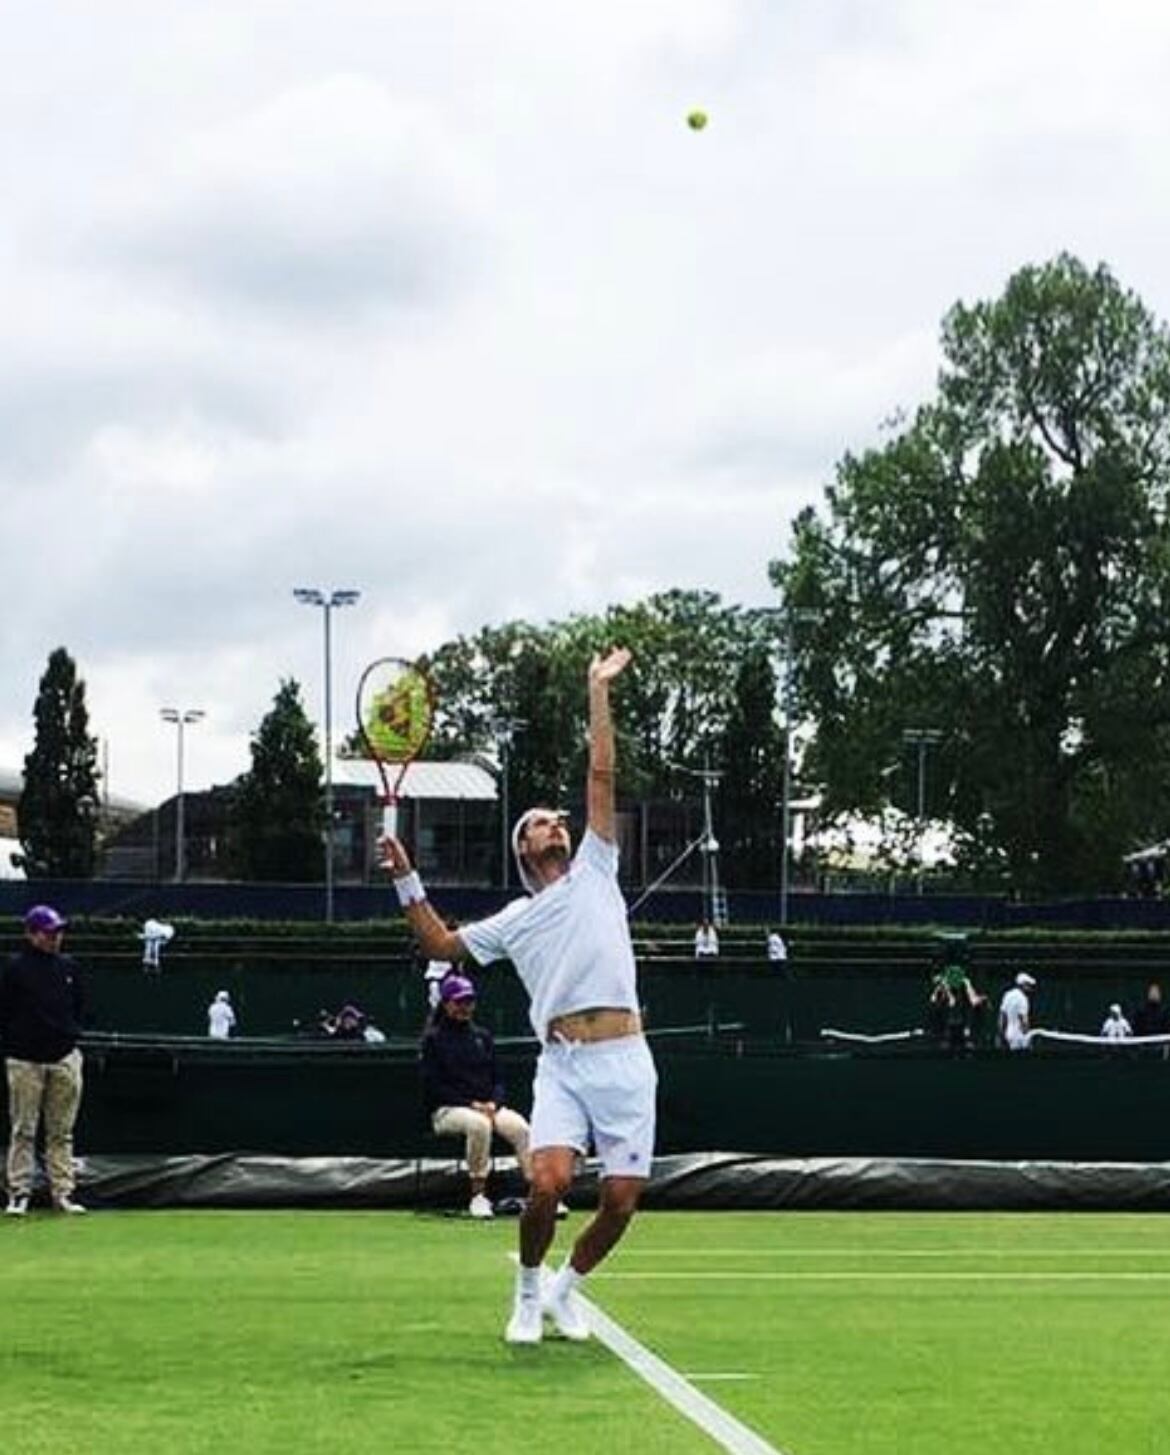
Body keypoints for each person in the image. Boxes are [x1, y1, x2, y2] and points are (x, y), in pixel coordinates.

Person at [381, 646, 654, 1345]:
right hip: (563, 1063)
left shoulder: (597, 867)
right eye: (540, 822)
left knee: (622, 1201)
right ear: (523, 848)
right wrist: (407, 880)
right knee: (549, 1182)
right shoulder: (513, 919)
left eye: (559, 819)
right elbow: (442, 945)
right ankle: (528, 1291)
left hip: (628, 1059)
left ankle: (568, 1289)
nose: (556, 823)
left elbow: (602, 772)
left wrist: (596, 689)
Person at [421, 973, 533, 1219]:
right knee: (479, 1125)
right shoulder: (433, 1040)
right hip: (448, 1111)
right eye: (459, 1002)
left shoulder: (482, 1036)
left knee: (521, 1128)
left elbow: (499, 1079)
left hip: (488, 1107)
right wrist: (472, 1105)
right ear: (446, 1003)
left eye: (469, 1001)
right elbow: (434, 1086)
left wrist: (494, 1103)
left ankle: (539, 1196)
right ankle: (478, 1196)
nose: (465, 1007)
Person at [0, 905, 87, 1215]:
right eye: (49, 933)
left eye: (58, 932)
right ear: (31, 934)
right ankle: (19, 1194)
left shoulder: (70, 968)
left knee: (61, 1132)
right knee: (23, 1128)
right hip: (24, 1061)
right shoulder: (14, 969)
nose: (55, 938)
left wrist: (70, 1040)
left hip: (63, 1059)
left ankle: (62, 1194)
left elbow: (78, 1008)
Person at [998, 972, 1035, 1051]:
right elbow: (1024, 1020)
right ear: (1023, 985)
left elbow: (1002, 1016)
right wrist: (1027, 1037)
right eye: (1028, 985)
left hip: (1008, 1034)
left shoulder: (1007, 995)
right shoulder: (1023, 999)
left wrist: (1001, 1034)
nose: (1030, 988)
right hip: (1019, 1036)